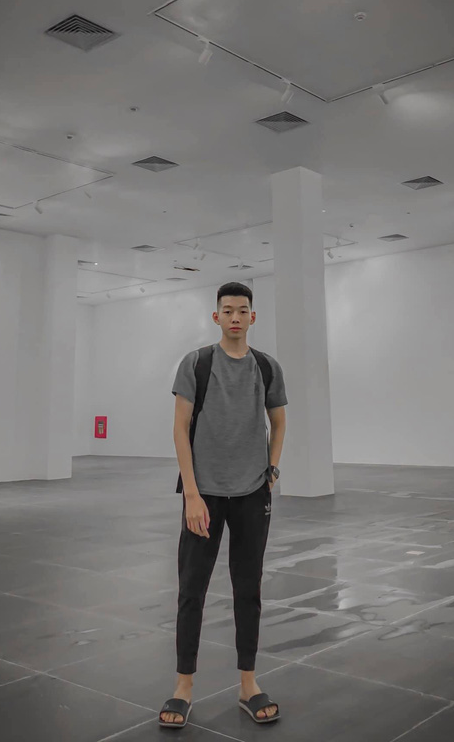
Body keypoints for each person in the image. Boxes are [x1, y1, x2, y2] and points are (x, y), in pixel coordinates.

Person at [159, 281, 287, 728]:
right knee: (191, 591)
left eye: (242, 310)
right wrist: (192, 494)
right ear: (216, 317)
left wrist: (271, 470)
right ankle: (183, 687)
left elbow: (278, 420)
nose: (235, 317)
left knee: (248, 590)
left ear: (253, 317)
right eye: (228, 310)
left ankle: (248, 684)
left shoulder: (266, 367)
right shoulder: (197, 363)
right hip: (205, 496)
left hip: (252, 494)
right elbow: (180, 428)